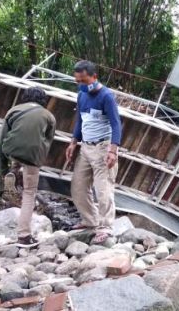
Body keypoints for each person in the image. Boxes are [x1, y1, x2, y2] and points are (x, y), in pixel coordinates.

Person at [65, 60, 122, 244]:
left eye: (83, 80)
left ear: (94, 77)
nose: (80, 84)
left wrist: (113, 150)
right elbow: (80, 121)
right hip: (86, 147)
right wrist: (73, 142)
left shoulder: (106, 96)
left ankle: (106, 226)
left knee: (103, 189)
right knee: (78, 186)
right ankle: (90, 221)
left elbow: (116, 124)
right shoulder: (81, 96)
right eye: (77, 81)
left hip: (103, 148)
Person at [0, 87, 56, 247]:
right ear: (43, 101)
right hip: (32, 156)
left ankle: (13, 171)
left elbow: (1, 139)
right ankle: (23, 236)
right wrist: (39, 160)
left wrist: (2, 170)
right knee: (30, 193)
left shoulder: (13, 111)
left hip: (11, 150)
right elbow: (48, 141)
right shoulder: (49, 116)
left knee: (15, 151)